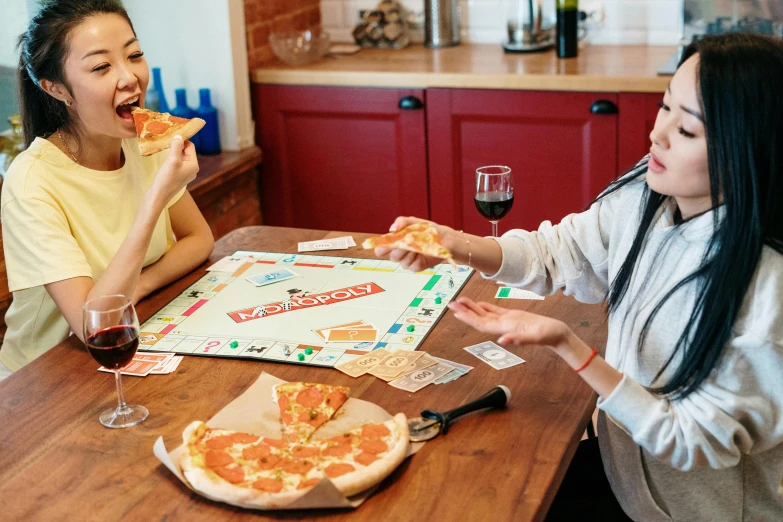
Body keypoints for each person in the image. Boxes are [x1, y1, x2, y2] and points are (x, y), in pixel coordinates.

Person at [374, 33, 783, 521]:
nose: (657, 135)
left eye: (688, 130)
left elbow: (690, 441)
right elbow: (559, 251)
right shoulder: (649, 192)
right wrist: (451, 244)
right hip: (626, 479)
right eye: (664, 108)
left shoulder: (767, 290)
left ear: (749, 150)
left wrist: (572, 347)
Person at [0, 0, 214, 379]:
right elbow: (92, 326)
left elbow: (199, 239)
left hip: (130, 347)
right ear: (56, 88)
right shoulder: (31, 181)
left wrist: (140, 287)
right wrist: (155, 202)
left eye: (134, 55)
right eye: (101, 66)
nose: (129, 77)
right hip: (42, 381)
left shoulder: (141, 143)